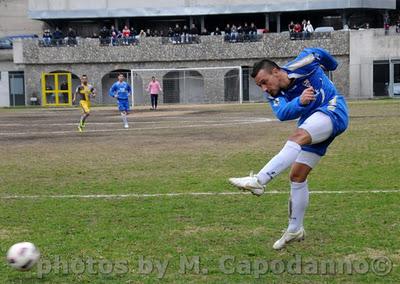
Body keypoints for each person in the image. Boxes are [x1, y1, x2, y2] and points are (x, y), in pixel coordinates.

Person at [229, 48, 349, 250]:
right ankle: (295, 229)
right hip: (312, 122)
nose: (264, 89)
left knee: (297, 137)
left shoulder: (303, 63)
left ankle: (259, 180)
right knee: (297, 176)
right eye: (260, 86)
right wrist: (300, 101)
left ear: (276, 71)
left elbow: (319, 54)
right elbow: (283, 113)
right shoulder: (275, 95)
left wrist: (332, 66)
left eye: (264, 82)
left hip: (332, 109)